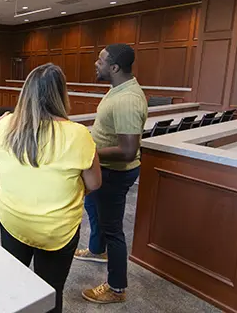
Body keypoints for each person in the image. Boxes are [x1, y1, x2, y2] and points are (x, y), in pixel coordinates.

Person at [0, 63, 102, 313]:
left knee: (15, 283)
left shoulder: (6, 125)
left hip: (13, 220)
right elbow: (94, 183)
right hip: (57, 231)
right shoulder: (78, 134)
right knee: (51, 291)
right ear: (61, 94)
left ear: (25, 93)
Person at [74, 43, 147, 304]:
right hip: (104, 169)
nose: (96, 63)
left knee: (113, 228)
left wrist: (90, 152)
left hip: (115, 173)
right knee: (94, 208)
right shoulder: (118, 89)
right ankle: (96, 250)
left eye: (101, 60)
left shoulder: (127, 100)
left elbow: (128, 151)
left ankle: (117, 288)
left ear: (114, 67)